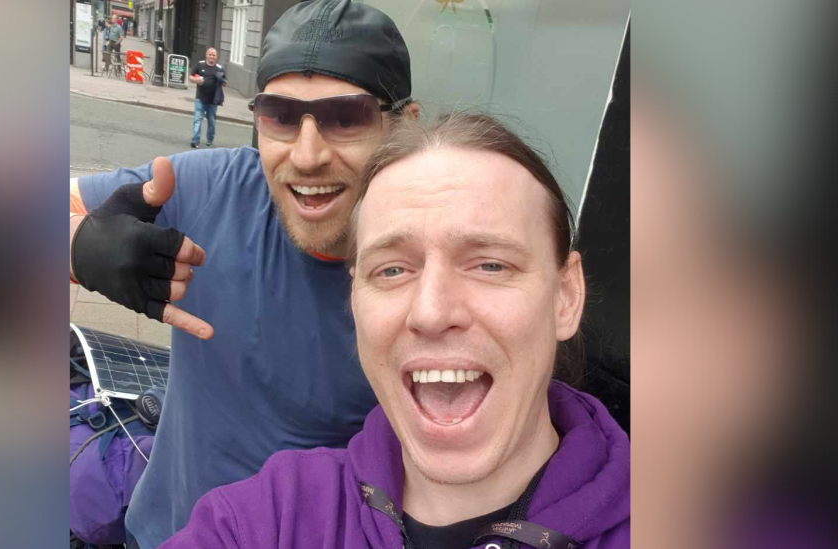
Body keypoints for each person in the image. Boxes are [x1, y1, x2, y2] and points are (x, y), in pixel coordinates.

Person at [160, 113, 630, 549]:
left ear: (565, 296)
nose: (430, 312)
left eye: (490, 264)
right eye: (391, 270)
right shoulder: (271, 518)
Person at [68, 1, 416, 547]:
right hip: (161, 532)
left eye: (345, 117)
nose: (306, 155)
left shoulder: (433, 275)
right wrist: (79, 249)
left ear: (404, 126)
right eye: (280, 115)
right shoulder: (212, 188)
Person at [188, 48, 226, 148]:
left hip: (213, 100)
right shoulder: (200, 65)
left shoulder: (219, 68)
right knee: (197, 119)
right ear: (206, 55)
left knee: (211, 121)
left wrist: (222, 80)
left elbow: (225, 83)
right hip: (200, 98)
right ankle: (195, 140)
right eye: (210, 54)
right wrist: (197, 80)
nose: (211, 57)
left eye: (213, 55)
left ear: (216, 57)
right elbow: (190, 77)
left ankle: (210, 139)